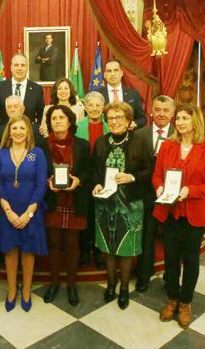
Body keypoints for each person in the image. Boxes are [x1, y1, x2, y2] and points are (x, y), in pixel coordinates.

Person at [154, 104, 205, 328]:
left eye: (185, 118)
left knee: (191, 260)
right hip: (170, 213)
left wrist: (190, 191)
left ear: (196, 122)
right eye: (179, 118)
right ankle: (172, 299)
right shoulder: (167, 146)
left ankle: (185, 303)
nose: (180, 122)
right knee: (171, 259)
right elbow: (157, 176)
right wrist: (160, 189)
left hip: (195, 215)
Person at [91, 101, 152, 310]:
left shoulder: (140, 141)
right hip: (105, 203)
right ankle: (111, 284)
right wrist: (97, 184)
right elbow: (94, 171)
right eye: (110, 119)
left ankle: (124, 288)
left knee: (126, 249)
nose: (114, 122)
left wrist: (132, 177)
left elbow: (150, 170)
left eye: (119, 118)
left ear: (128, 121)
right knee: (108, 246)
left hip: (131, 203)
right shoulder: (100, 142)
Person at [0, 114, 47, 312]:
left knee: (28, 251)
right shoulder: (0, 153)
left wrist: (29, 212)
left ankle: (26, 291)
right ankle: (12, 290)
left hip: (31, 209)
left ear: (28, 131)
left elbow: (41, 185)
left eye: (22, 128)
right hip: (8, 209)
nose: (18, 132)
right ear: (9, 131)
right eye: (14, 128)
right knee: (10, 250)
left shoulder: (37, 153)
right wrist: (8, 211)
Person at [42, 105, 91, 305]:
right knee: (54, 244)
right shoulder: (41, 145)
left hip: (74, 200)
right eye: (54, 118)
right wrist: (47, 181)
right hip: (52, 201)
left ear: (70, 121)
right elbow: (38, 171)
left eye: (62, 117)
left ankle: (71, 285)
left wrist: (79, 180)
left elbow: (89, 171)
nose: (58, 121)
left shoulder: (82, 145)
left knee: (72, 245)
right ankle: (54, 283)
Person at [134, 95, 176, 292]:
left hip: (173, 197)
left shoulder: (180, 134)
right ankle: (144, 275)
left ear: (173, 114)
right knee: (147, 237)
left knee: (170, 239)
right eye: (157, 109)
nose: (161, 114)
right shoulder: (140, 134)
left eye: (165, 110)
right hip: (146, 194)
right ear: (151, 112)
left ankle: (171, 276)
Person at [76, 91, 109, 268]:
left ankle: (98, 251)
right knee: (85, 216)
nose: (94, 108)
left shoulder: (110, 127)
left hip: (104, 180)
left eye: (98, 105)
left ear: (103, 108)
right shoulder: (77, 126)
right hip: (83, 180)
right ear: (85, 107)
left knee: (100, 216)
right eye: (91, 105)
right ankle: (83, 251)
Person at [0, 54, 45, 128]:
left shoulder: (37, 89)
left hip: (29, 135)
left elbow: (41, 115)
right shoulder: (0, 87)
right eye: (16, 65)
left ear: (27, 68)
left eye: (23, 65)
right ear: (11, 68)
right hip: (4, 134)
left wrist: (37, 130)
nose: (19, 68)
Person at [98, 59, 146, 130]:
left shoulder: (133, 94)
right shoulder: (98, 95)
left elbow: (142, 119)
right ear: (105, 75)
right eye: (109, 71)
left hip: (128, 136)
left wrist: (134, 124)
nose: (112, 74)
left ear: (121, 73)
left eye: (116, 70)